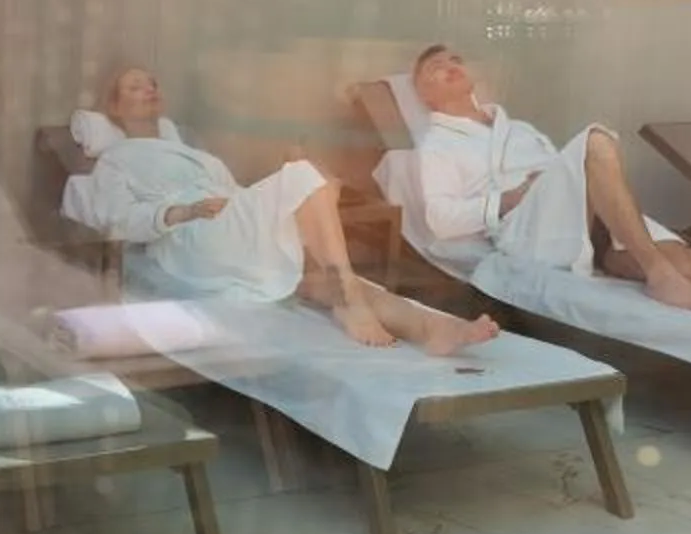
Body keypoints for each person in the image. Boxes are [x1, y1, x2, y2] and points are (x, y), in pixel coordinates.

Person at [372, 44, 691, 338]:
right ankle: (659, 273)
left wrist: (561, 182)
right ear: (422, 93)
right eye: (434, 68)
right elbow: (440, 220)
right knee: (597, 141)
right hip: (526, 232)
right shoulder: (434, 146)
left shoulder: (520, 129)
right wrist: (504, 201)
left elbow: (572, 182)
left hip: (577, 223)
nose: (450, 65)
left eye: (455, 58)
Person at [76, 66, 497, 356]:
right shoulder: (116, 161)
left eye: (151, 83)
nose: (149, 89)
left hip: (226, 228)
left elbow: (234, 196)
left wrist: (263, 202)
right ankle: (350, 298)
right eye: (135, 87)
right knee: (302, 175)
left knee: (316, 273)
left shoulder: (196, 156)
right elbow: (116, 221)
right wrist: (181, 213)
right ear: (113, 109)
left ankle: (432, 329)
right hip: (190, 238)